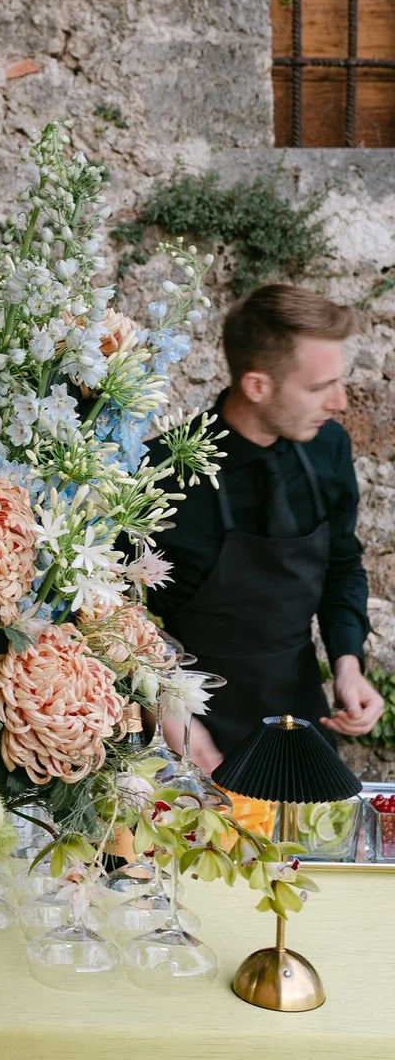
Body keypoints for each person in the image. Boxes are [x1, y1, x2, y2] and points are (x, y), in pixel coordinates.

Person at [148, 283, 383, 774]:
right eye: (320, 387)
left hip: (301, 720)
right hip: (190, 734)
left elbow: (341, 564)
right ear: (257, 385)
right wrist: (174, 720)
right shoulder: (158, 473)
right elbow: (113, 618)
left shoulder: (328, 448)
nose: (340, 402)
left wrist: (346, 663)